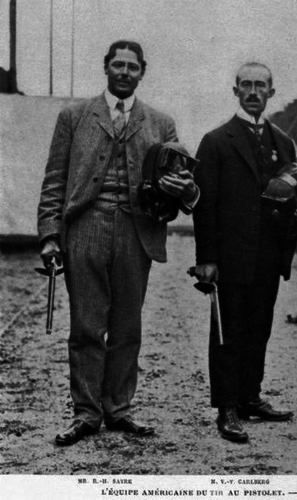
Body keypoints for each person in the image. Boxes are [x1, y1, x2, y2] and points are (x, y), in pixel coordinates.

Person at [37, 40, 198, 446]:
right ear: (105, 67)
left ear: (143, 71)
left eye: (132, 66)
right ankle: (86, 413)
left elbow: (177, 185)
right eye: (118, 64)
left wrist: (177, 187)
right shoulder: (74, 116)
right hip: (85, 227)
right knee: (86, 326)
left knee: (128, 327)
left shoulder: (161, 123)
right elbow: (55, 177)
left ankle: (119, 409)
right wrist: (50, 235)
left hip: (136, 230)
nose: (125, 72)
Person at [192, 62, 297, 442]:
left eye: (261, 85)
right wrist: (207, 259)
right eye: (246, 84)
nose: (253, 91)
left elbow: (295, 198)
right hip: (230, 257)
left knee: (259, 328)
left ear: (271, 92)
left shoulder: (284, 142)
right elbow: (203, 204)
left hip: (268, 255)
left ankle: (250, 397)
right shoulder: (216, 141)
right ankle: (227, 407)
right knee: (228, 332)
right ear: (235, 90)